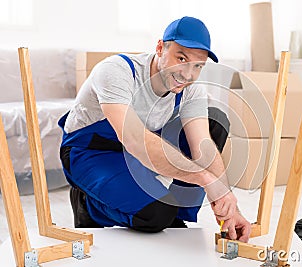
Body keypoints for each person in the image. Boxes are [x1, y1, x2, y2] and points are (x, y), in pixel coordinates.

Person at [58, 16, 250, 242]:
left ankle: (175, 213)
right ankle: (88, 203)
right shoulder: (116, 71)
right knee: (155, 214)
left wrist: (229, 206)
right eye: (181, 58)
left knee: (215, 122)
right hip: (91, 152)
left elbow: (203, 146)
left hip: (136, 153)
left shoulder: (191, 90)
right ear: (160, 48)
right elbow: (135, 140)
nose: (187, 75)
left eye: (197, 66)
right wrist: (205, 179)